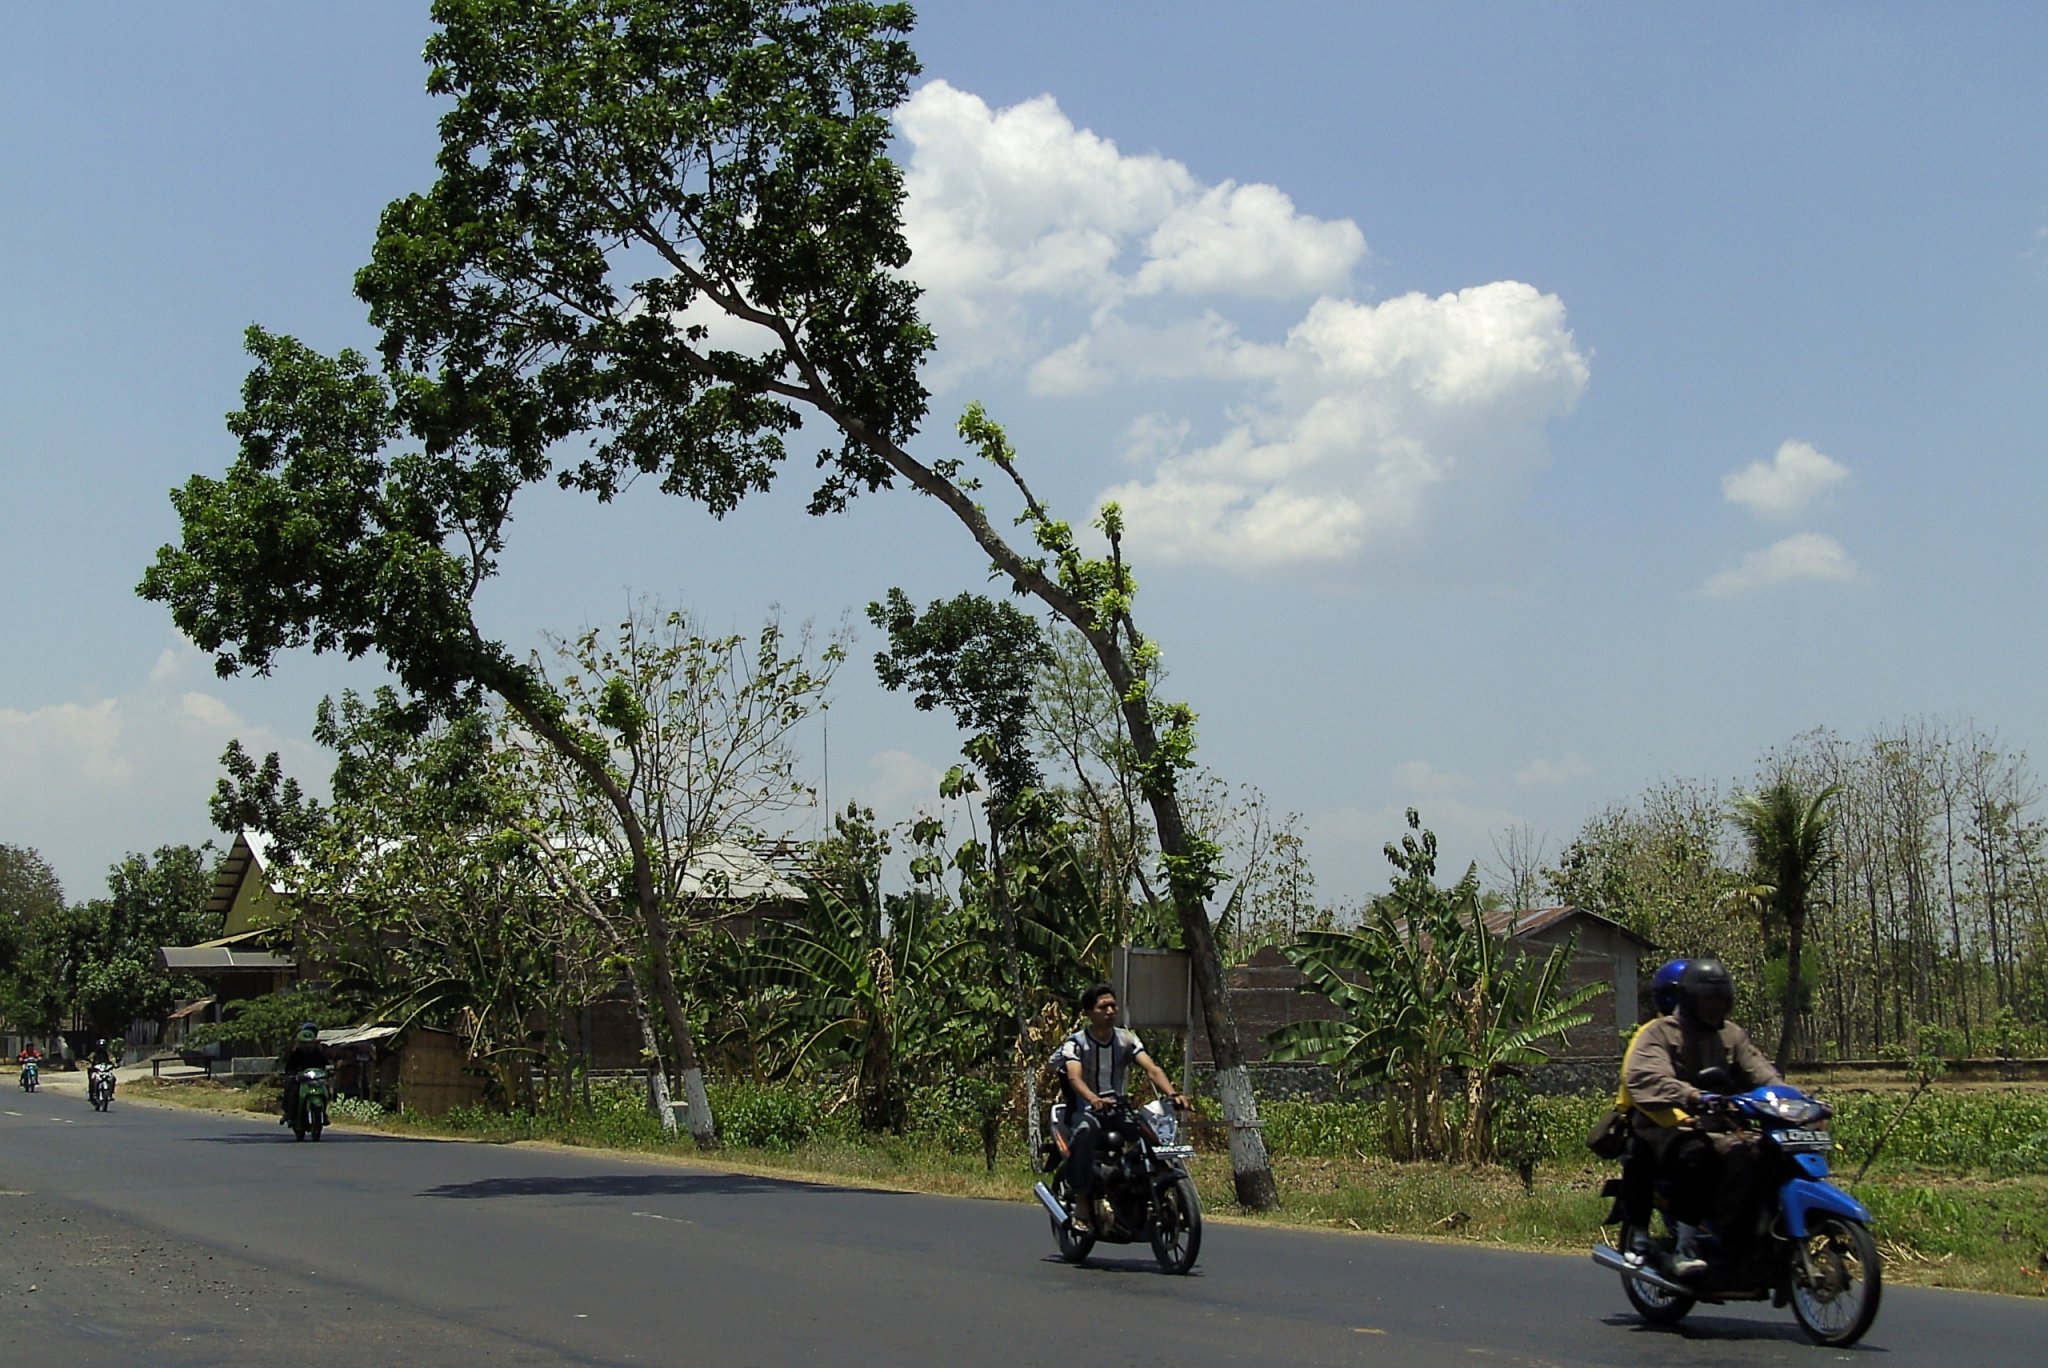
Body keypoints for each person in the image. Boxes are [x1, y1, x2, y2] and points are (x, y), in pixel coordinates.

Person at [1621, 958, 1783, 1277]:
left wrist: (1793, 1099)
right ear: (1689, 999)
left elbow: (1761, 1072)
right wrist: (1692, 1095)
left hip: (1720, 1125)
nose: (1714, 1006)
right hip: (1664, 1126)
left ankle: (1749, 1234)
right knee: (1695, 1153)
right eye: (1707, 999)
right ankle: (1686, 1245)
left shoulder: (1732, 1035)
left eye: (1720, 999)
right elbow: (1644, 1077)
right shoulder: (1660, 1032)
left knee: (1766, 1151)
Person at [1053, 983, 1184, 1234]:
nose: (1111, 1011)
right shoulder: (1076, 1043)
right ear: (1089, 1012)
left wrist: (1173, 1094)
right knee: (1086, 1131)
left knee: (1150, 1132)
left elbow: (1152, 1069)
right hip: (1085, 1110)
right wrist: (1093, 1098)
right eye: (1103, 1007)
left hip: (1117, 1109)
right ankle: (1082, 1202)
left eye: (1113, 1006)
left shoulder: (1126, 1039)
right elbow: (1074, 1078)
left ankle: (1157, 1191)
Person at [1613, 958, 1689, 1261]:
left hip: (1692, 1116)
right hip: (1650, 1117)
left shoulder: (1703, 1033)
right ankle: (1659, 1238)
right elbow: (1639, 1085)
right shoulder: (1650, 1033)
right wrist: (1683, 1118)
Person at [279, 1023, 327, 1126]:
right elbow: (289, 1068)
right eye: (305, 1043)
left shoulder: (318, 1053)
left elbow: (325, 1064)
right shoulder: (295, 1054)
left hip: (314, 1080)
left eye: (310, 1043)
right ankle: (289, 1113)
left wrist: (329, 1070)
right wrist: (293, 1075)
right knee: (292, 1091)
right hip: (300, 1079)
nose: (307, 1046)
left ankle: (324, 1113)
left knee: (326, 1090)